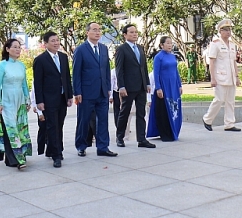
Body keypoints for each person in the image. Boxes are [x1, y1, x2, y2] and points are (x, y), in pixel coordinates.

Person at [73, 22, 117, 157]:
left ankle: (103, 147)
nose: (98, 32)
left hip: (102, 91)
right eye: (94, 30)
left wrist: (108, 87)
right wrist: (77, 92)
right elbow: (76, 73)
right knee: (84, 120)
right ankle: (81, 146)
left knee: (103, 120)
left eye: (99, 30)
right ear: (87, 32)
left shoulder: (104, 48)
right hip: (86, 92)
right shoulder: (81, 49)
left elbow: (106, 70)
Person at [33, 31, 74, 168]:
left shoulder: (63, 57)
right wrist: (39, 101)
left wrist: (69, 95)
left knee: (60, 125)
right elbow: (37, 82)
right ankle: (57, 154)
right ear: (45, 44)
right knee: (52, 126)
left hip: (62, 97)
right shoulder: (40, 60)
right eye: (53, 41)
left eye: (57, 40)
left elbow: (67, 78)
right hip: (48, 99)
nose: (56, 43)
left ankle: (52, 149)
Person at [0, 39, 33, 170]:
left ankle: (21, 155)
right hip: (7, 101)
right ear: (7, 49)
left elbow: (24, 84)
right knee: (11, 129)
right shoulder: (2, 65)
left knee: (21, 129)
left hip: (20, 100)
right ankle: (14, 159)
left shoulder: (21, 65)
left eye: (19, 47)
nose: (18, 50)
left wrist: (28, 100)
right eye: (15, 47)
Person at [115, 24, 155, 148]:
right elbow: (119, 69)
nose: (134, 34)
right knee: (125, 112)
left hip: (141, 86)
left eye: (136, 32)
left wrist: (147, 83)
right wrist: (121, 86)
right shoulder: (122, 49)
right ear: (125, 35)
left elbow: (144, 67)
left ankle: (141, 139)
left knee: (141, 113)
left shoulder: (140, 48)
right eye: (131, 32)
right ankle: (120, 137)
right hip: (128, 87)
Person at [203, 19, 242, 132]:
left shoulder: (232, 45)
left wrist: (237, 76)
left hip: (231, 77)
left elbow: (234, 62)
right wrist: (212, 78)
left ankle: (229, 124)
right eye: (226, 30)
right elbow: (212, 62)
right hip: (220, 77)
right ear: (220, 31)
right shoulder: (215, 44)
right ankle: (207, 119)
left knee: (230, 101)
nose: (228, 32)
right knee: (219, 99)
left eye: (229, 30)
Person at [148, 36, 184, 142]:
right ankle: (165, 132)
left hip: (173, 86)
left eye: (171, 43)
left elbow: (176, 72)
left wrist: (179, 85)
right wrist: (158, 88)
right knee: (164, 109)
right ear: (161, 45)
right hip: (164, 86)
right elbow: (156, 73)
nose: (170, 45)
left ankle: (174, 130)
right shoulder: (159, 57)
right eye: (167, 43)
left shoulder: (173, 56)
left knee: (175, 108)